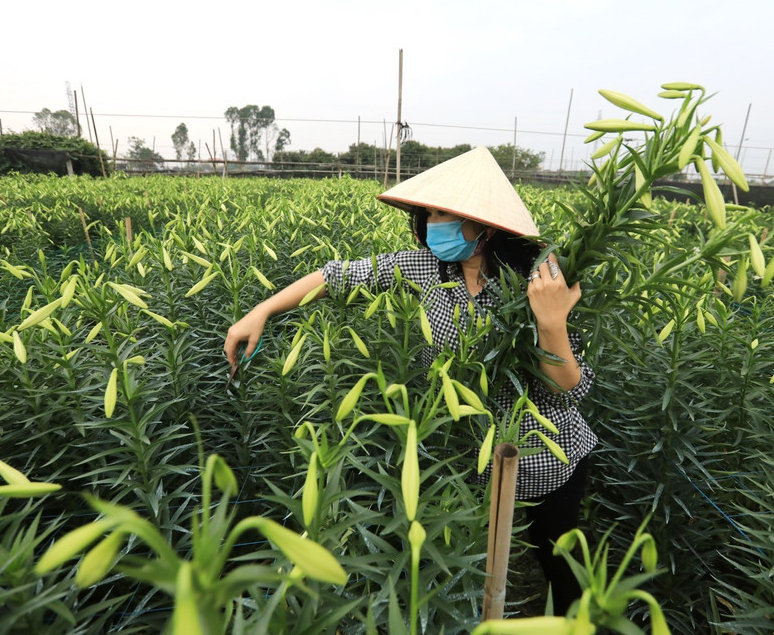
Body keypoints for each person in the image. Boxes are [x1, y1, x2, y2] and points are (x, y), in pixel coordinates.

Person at [223, 146, 597, 613]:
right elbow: (335, 276)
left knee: (562, 566)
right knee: (474, 570)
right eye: (429, 212)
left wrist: (551, 324)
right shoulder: (422, 268)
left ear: (483, 223)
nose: (431, 222)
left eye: (444, 212)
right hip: (466, 460)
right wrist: (260, 311)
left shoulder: (540, 277)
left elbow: (569, 390)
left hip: (545, 457)